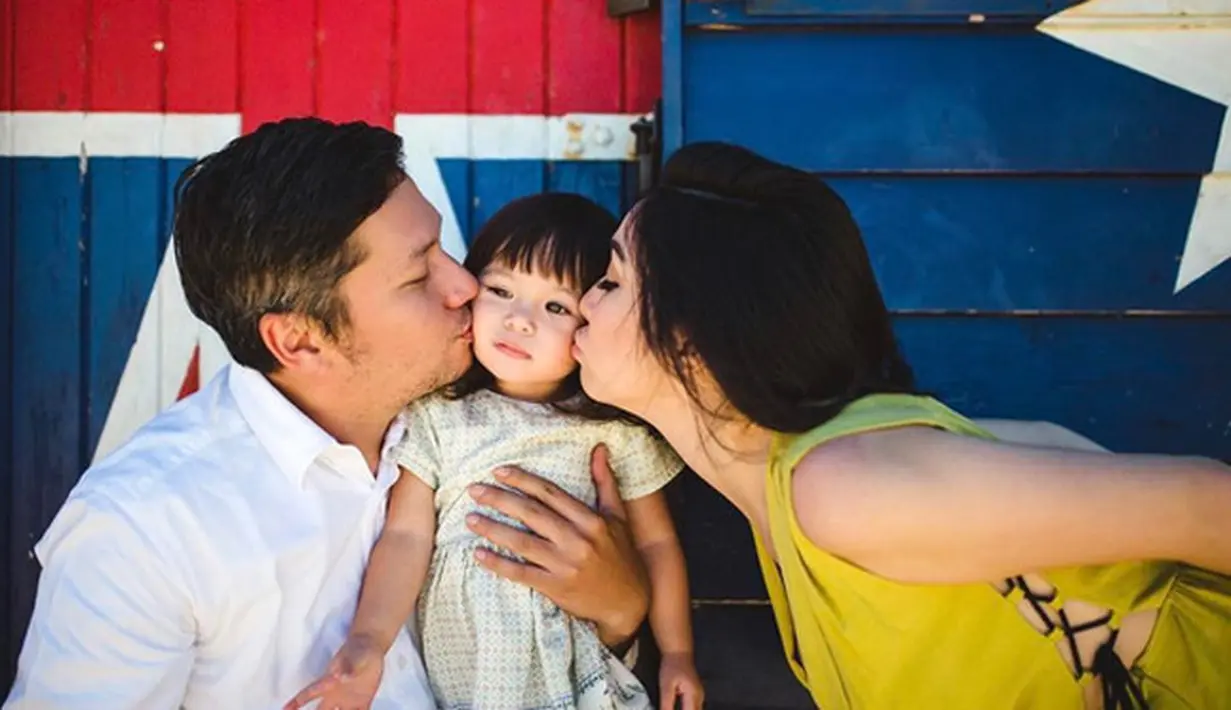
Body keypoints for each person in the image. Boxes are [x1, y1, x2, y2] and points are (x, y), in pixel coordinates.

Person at [2, 118, 651, 709]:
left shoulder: (480, 420)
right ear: (300, 339)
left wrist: (621, 610)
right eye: (417, 276)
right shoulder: (146, 530)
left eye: (441, 249)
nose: (467, 286)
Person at [567, 141, 1231, 710]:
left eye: (614, 279)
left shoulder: (841, 489)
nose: (584, 300)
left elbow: (1210, 503)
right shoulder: (799, 491)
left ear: (693, 338)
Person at [284, 193, 701, 710]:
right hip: (466, 672)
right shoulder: (436, 414)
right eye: (501, 290)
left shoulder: (611, 432)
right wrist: (369, 641)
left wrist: (679, 652)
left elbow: (658, 546)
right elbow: (408, 533)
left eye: (555, 306)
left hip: (577, 673)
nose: (520, 319)